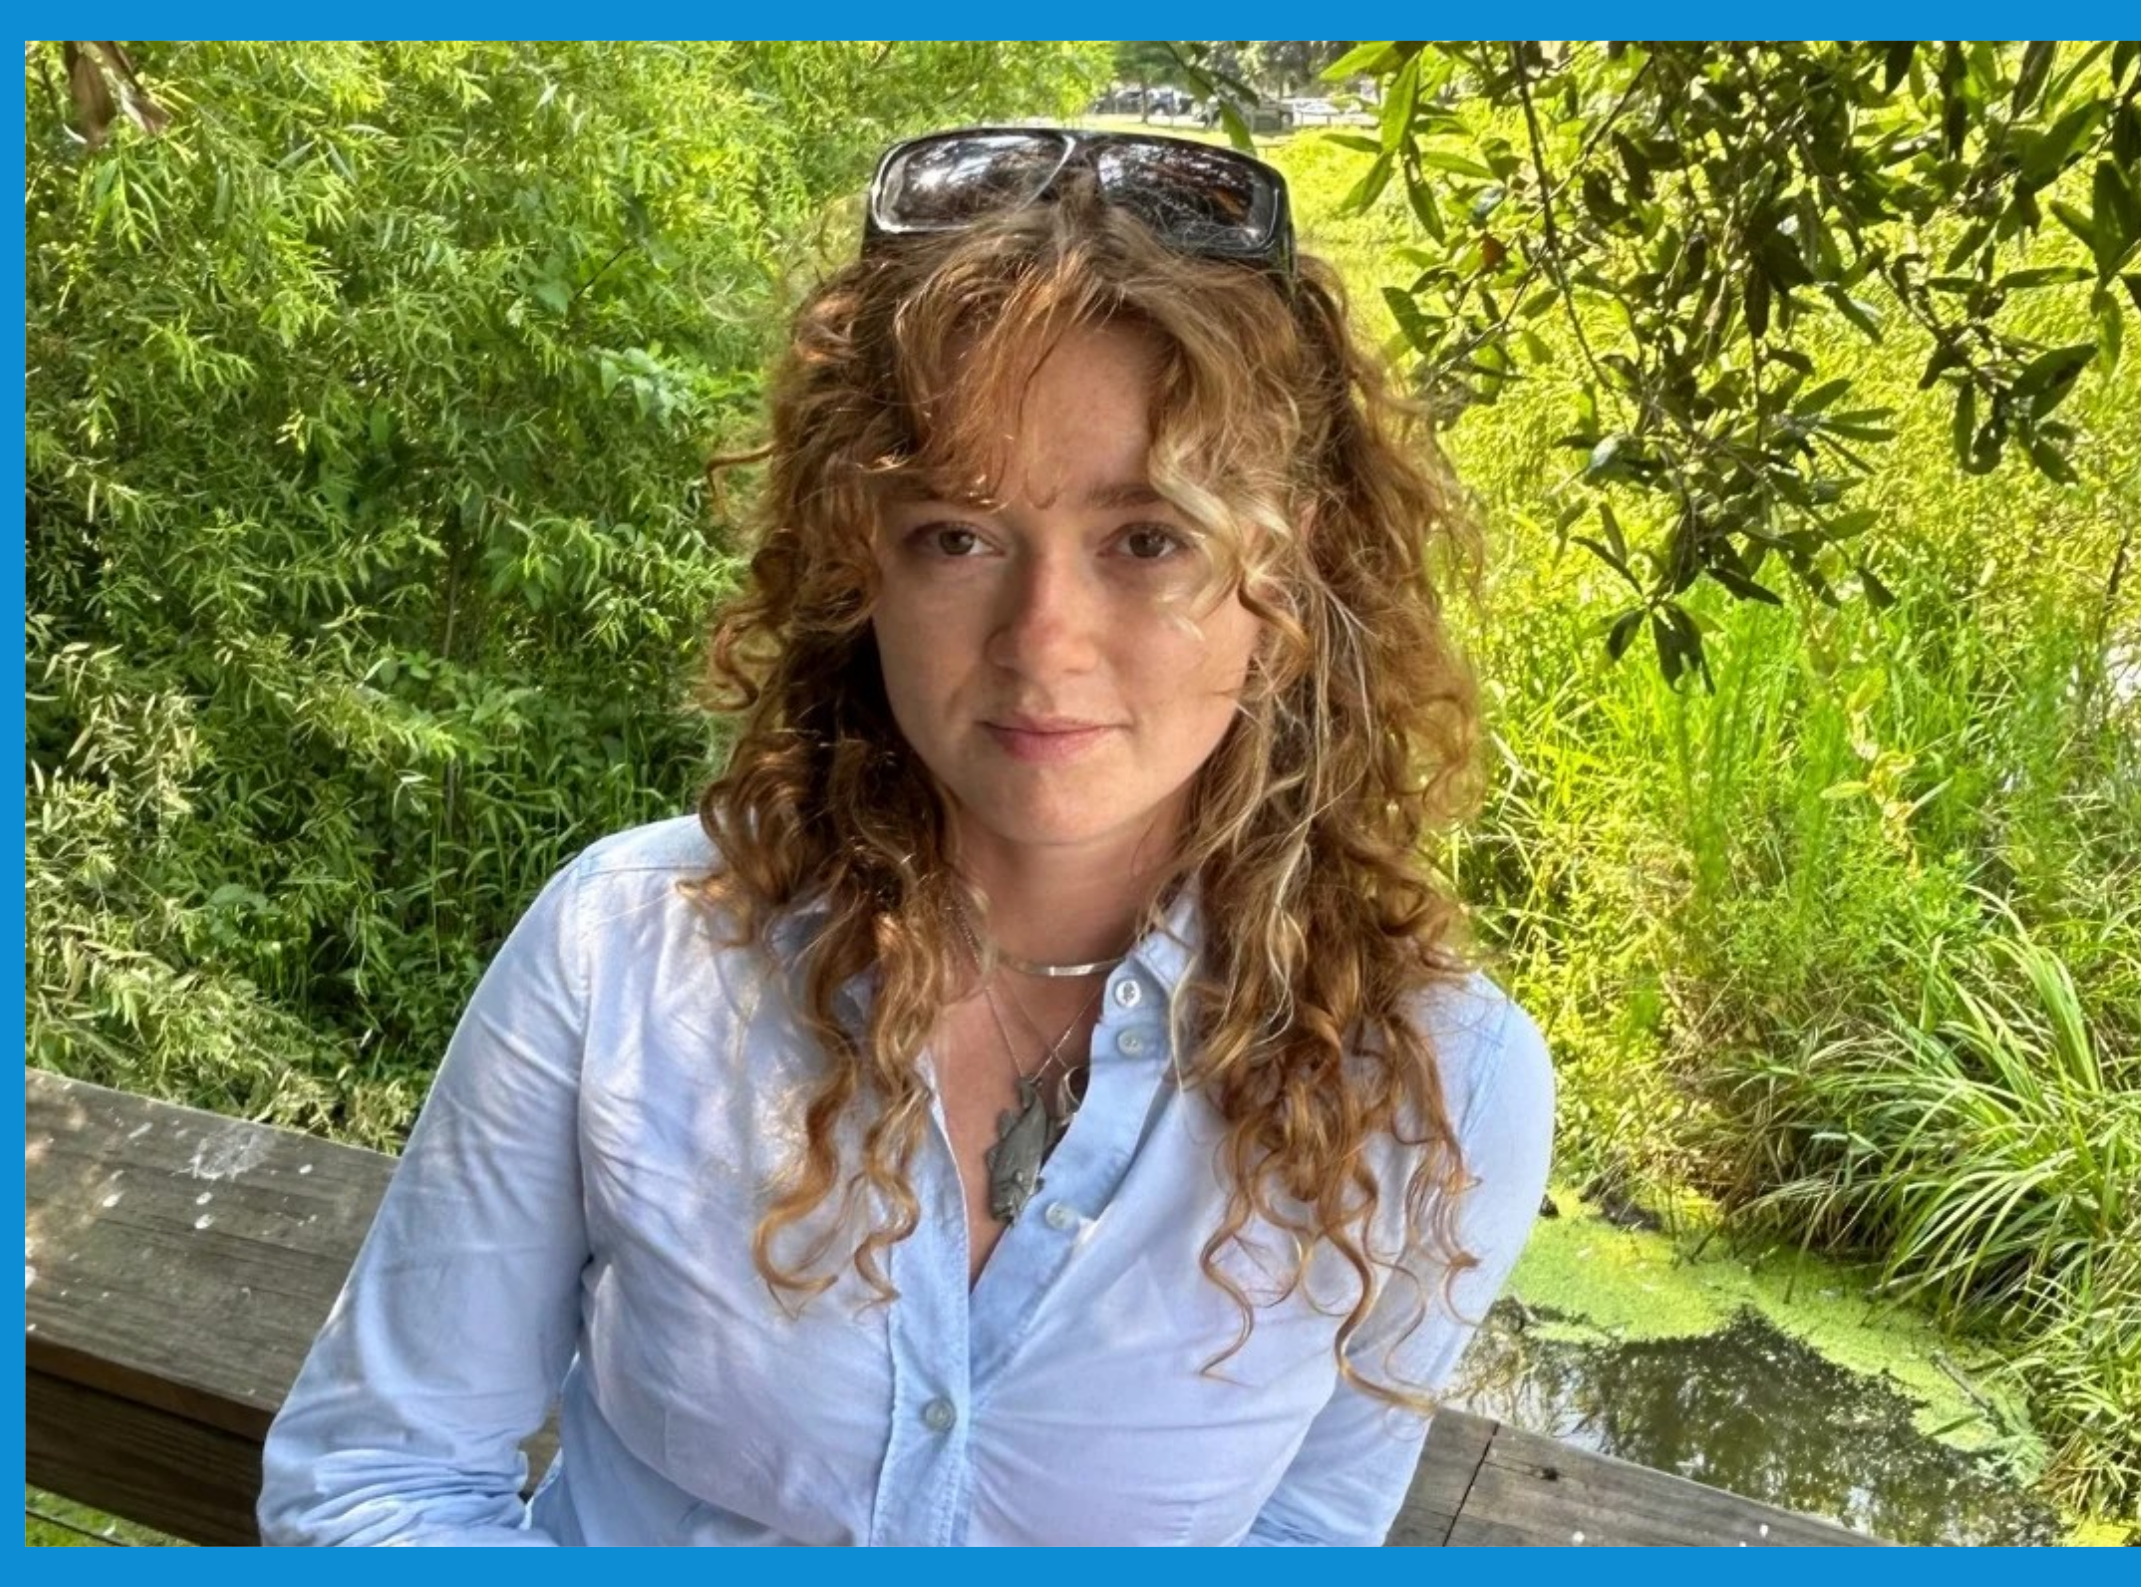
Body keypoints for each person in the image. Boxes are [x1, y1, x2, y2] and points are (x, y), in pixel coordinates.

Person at [258, 126, 1553, 1547]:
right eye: (957, 534)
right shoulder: (625, 954)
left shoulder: (1440, 1090)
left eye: (1148, 538)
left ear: (1285, 568)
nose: (1042, 642)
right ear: (859, 553)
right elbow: (373, 1482)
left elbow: (1300, 1537)